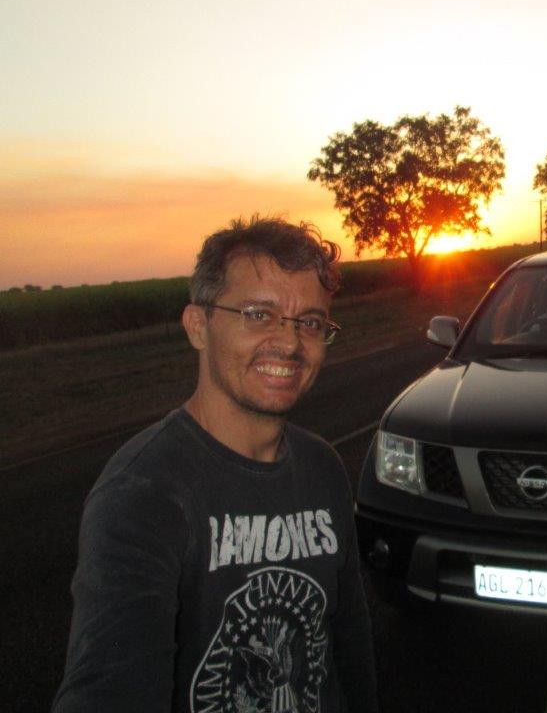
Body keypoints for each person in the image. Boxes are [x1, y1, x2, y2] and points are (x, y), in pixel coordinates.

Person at [52, 216, 378, 713]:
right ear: (198, 327)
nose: (290, 343)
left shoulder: (323, 468)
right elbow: (109, 686)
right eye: (258, 314)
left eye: (310, 322)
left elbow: (350, 643)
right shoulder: (143, 492)